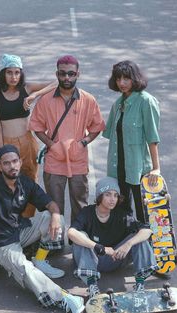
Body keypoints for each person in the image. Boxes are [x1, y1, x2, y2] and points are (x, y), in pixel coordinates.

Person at [0, 144, 85, 313]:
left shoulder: (25, 182)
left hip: (20, 231)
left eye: (15, 161)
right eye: (6, 163)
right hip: (1, 242)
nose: (12, 166)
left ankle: (39, 260)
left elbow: (50, 204)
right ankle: (63, 298)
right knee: (24, 268)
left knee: (55, 217)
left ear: (20, 162)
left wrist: (55, 215)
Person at [29, 55, 106, 224]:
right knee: (54, 204)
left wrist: (83, 143)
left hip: (78, 160)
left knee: (80, 203)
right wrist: (51, 145)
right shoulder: (46, 100)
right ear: (56, 74)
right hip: (54, 160)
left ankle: (78, 239)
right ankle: (55, 240)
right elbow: (36, 126)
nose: (66, 78)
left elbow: (97, 127)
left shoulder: (88, 99)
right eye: (62, 74)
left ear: (78, 74)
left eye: (71, 74)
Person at [0, 53, 56, 218]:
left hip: (27, 143)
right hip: (7, 144)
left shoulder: (27, 88)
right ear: (3, 73)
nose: (13, 76)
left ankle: (27, 222)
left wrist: (34, 95)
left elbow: (56, 83)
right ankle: (4, 222)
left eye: (17, 72)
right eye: (9, 72)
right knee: (3, 184)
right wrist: (1, 152)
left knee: (30, 181)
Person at [68, 177, 158, 298]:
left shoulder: (121, 214)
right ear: (100, 196)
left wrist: (128, 244)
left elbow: (147, 230)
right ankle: (92, 286)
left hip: (116, 258)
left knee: (139, 237)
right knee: (80, 236)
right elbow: (71, 232)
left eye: (116, 195)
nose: (113, 199)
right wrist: (98, 247)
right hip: (93, 260)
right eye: (108, 194)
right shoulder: (87, 212)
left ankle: (140, 284)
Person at [103, 60, 160, 223]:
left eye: (126, 79)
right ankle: (126, 244)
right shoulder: (118, 104)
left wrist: (156, 168)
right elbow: (110, 134)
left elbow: (152, 137)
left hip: (138, 168)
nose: (121, 83)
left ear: (135, 79)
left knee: (144, 211)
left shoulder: (146, 101)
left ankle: (145, 246)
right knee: (121, 210)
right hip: (118, 167)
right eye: (118, 79)